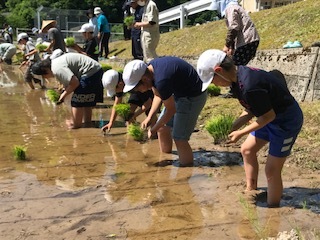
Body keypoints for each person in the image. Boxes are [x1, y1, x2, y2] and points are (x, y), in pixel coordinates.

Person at [197, 49, 304, 207]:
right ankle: (251, 188)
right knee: (247, 150)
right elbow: (250, 109)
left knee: (272, 170)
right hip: (268, 116)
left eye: (212, 81)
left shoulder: (249, 84)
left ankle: (272, 208)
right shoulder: (235, 80)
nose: (214, 84)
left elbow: (268, 117)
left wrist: (240, 133)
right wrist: (233, 126)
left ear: (219, 71)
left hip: (285, 121)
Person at [122, 58, 207, 166]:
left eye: (136, 88)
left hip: (193, 97)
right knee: (163, 128)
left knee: (179, 138)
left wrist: (153, 128)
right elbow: (158, 95)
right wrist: (149, 117)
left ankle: (186, 170)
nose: (138, 91)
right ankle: (166, 157)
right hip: (179, 94)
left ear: (144, 79)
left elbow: (171, 110)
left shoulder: (161, 80)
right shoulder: (151, 69)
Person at [31, 50, 104, 129]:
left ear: (45, 71)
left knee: (77, 100)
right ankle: (87, 122)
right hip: (96, 70)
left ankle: (76, 124)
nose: (45, 78)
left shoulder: (57, 69)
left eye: (43, 76)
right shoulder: (55, 63)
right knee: (86, 100)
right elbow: (70, 84)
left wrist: (63, 95)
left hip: (90, 72)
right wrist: (63, 92)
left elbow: (75, 83)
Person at [209, 0, 260, 97]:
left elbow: (234, 27)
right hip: (249, 40)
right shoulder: (234, 7)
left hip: (247, 40)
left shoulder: (231, 8)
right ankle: (236, 90)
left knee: (234, 66)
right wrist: (231, 47)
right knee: (236, 64)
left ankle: (235, 91)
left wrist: (227, 45)